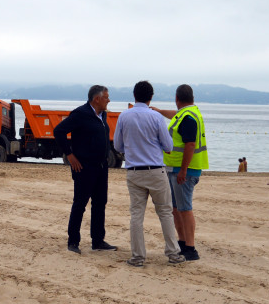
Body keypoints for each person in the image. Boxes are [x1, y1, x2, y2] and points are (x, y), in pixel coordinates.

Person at [113, 80, 185, 266]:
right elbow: (168, 145)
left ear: (134, 95)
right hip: (155, 171)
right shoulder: (156, 117)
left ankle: (138, 256)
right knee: (165, 212)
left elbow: (117, 145)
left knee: (137, 215)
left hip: (134, 171)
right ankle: (173, 253)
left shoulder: (124, 116)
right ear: (151, 97)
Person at [53, 85, 117, 255]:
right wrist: (70, 155)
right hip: (84, 167)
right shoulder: (80, 113)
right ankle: (73, 241)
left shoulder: (102, 115)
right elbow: (58, 131)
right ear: (97, 99)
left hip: (102, 167)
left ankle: (98, 241)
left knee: (100, 203)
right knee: (80, 204)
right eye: (106, 97)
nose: (108, 100)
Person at [153, 84, 209, 262]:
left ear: (177, 99)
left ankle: (191, 248)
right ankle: (183, 243)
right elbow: (174, 115)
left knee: (184, 209)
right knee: (176, 208)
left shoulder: (188, 117)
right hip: (176, 169)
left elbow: (190, 145)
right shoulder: (188, 113)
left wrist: (183, 170)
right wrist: (160, 111)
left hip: (184, 170)